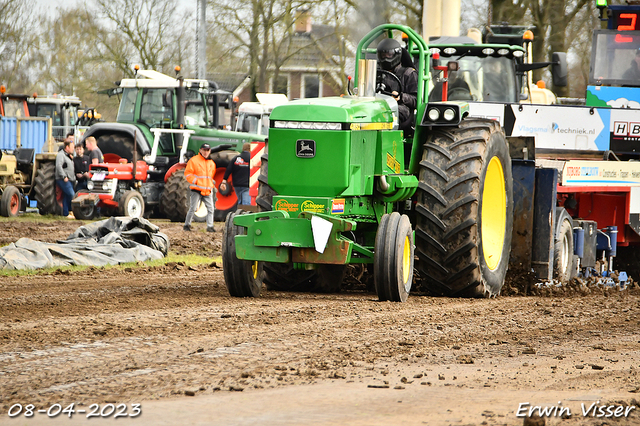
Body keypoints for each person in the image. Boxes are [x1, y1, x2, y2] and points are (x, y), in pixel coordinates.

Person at [377, 38, 418, 136]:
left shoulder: (409, 73)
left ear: (396, 54)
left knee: (388, 113)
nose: (386, 58)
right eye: (383, 55)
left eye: (389, 55)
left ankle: (388, 139)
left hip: (401, 107)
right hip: (378, 105)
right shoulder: (375, 73)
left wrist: (401, 97)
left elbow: (417, 100)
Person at [183, 143, 216, 232]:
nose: (206, 152)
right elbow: (188, 174)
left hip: (208, 190)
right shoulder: (193, 161)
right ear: (200, 150)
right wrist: (196, 181)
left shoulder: (211, 163)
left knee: (211, 209)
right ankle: (187, 225)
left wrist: (209, 185)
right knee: (193, 208)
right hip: (196, 189)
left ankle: (210, 226)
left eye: (207, 150)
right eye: (204, 150)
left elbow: (211, 176)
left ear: (210, 151)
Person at [55, 139, 76, 218]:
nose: (73, 149)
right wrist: (64, 176)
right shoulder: (61, 155)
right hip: (63, 179)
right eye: (72, 147)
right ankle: (72, 211)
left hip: (70, 179)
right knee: (71, 194)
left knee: (66, 196)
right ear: (67, 147)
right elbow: (58, 166)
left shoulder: (69, 156)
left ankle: (66, 213)